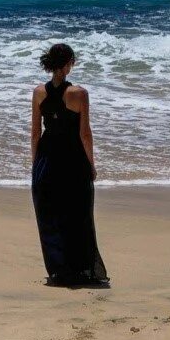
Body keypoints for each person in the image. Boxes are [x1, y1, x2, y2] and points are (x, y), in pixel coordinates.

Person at [30, 43, 108, 286]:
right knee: (78, 213)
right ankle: (81, 269)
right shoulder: (79, 94)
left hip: (47, 158)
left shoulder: (38, 92)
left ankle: (58, 269)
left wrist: (36, 165)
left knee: (51, 214)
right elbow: (85, 134)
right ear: (68, 64)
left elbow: (35, 133)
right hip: (73, 159)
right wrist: (91, 164)